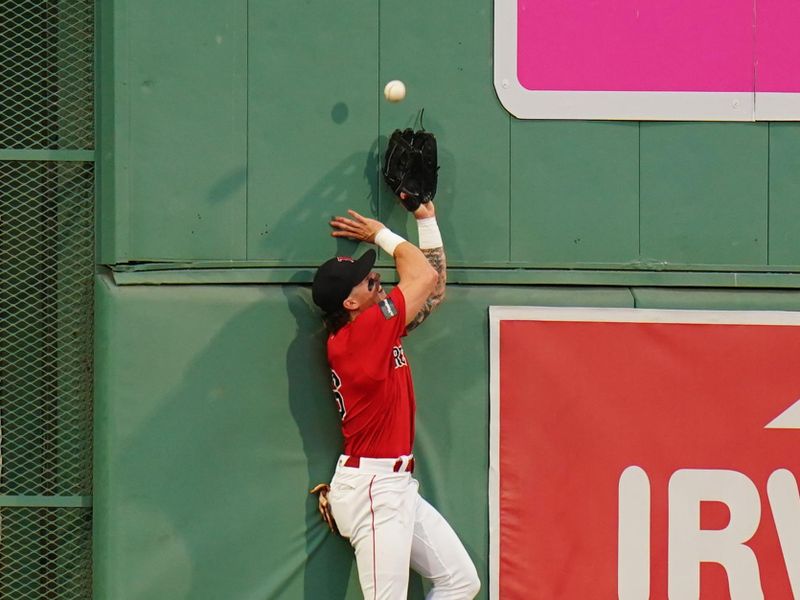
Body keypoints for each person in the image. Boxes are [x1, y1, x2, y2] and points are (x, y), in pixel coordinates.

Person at [310, 201, 480, 599]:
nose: (376, 279)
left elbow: (431, 289)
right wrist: (380, 234)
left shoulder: (374, 331)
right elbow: (420, 274)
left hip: (395, 484)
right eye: (367, 281)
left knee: (460, 582)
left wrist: (426, 218)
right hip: (373, 489)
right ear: (350, 304)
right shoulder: (359, 337)